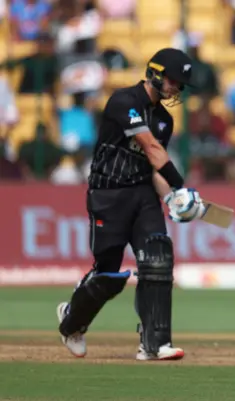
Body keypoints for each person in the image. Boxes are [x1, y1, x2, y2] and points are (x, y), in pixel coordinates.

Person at [56, 48, 207, 361]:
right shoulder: (124, 101)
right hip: (108, 193)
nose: (176, 89)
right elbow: (150, 148)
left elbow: (154, 168)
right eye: (173, 81)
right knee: (108, 275)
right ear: (155, 72)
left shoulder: (164, 119)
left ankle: (155, 342)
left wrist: (171, 197)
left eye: (180, 85)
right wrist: (181, 186)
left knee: (158, 257)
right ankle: (72, 321)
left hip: (142, 195)